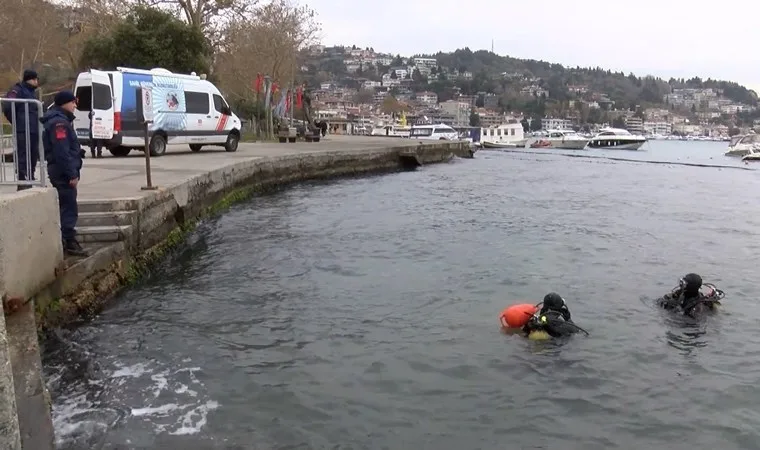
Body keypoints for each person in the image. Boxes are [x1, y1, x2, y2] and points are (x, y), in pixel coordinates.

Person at [42, 90, 88, 257]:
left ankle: (67, 240)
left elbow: (65, 149)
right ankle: (69, 241)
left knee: (66, 204)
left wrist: (77, 153)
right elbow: (61, 152)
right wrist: (71, 174)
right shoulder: (59, 124)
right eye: (73, 102)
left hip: (61, 169)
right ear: (64, 103)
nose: (75, 105)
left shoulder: (60, 121)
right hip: (63, 173)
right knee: (68, 206)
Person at [2, 69, 40, 190]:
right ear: (30, 79)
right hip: (23, 130)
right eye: (35, 79)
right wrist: (16, 121)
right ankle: (23, 181)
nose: (37, 82)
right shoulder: (18, 90)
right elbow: (8, 106)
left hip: (33, 129)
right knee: (24, 155)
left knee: (33, 154)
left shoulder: (31, 92)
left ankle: (30, 177)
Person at [658, 273, 722, 317]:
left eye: (683, 283)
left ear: (688, 286)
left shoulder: (697, 308)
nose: (681, 285)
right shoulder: (682, 294)